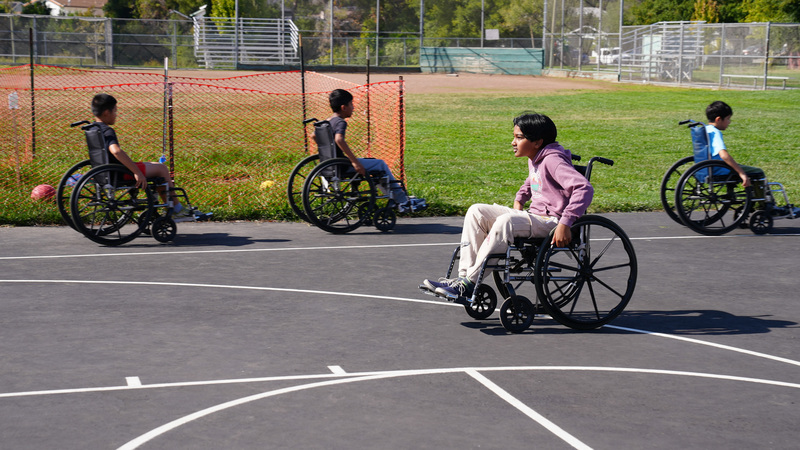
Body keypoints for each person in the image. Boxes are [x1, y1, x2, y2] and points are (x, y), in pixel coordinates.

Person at [421, 112, 593, 299]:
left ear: (537, 142)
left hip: (553, 222)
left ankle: (469, 283)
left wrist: (565, 224)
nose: (513, 142)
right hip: (535, 217)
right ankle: (463, 280)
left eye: (519, 137)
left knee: (506, 221)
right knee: (476, 211)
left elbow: (583, 188)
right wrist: (519, 200)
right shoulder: (536, 159)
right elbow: (532, 182)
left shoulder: (553, 160)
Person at [91, 93, 202, 221]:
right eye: (115, 111)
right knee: (162, 169)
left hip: (106, 171)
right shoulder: (107, 130)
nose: (116, 114)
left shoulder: (93, 128)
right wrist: (137, 172)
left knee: (156, 165)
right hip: (119, 173)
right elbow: (116, 151)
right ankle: (177, 209)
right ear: (106, 112)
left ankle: (165, 206)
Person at [326, 89, 426, 212]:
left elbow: (314, 135)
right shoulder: (340, 122)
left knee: (373, 164)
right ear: (343, 107)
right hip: (343, 165)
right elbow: (339, 139)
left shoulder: (327, 121)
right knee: (380, 164)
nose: (353, 107)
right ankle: (402, 201)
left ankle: (396, 198)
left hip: (331, 165)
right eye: (351, 104)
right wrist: (355, 163)